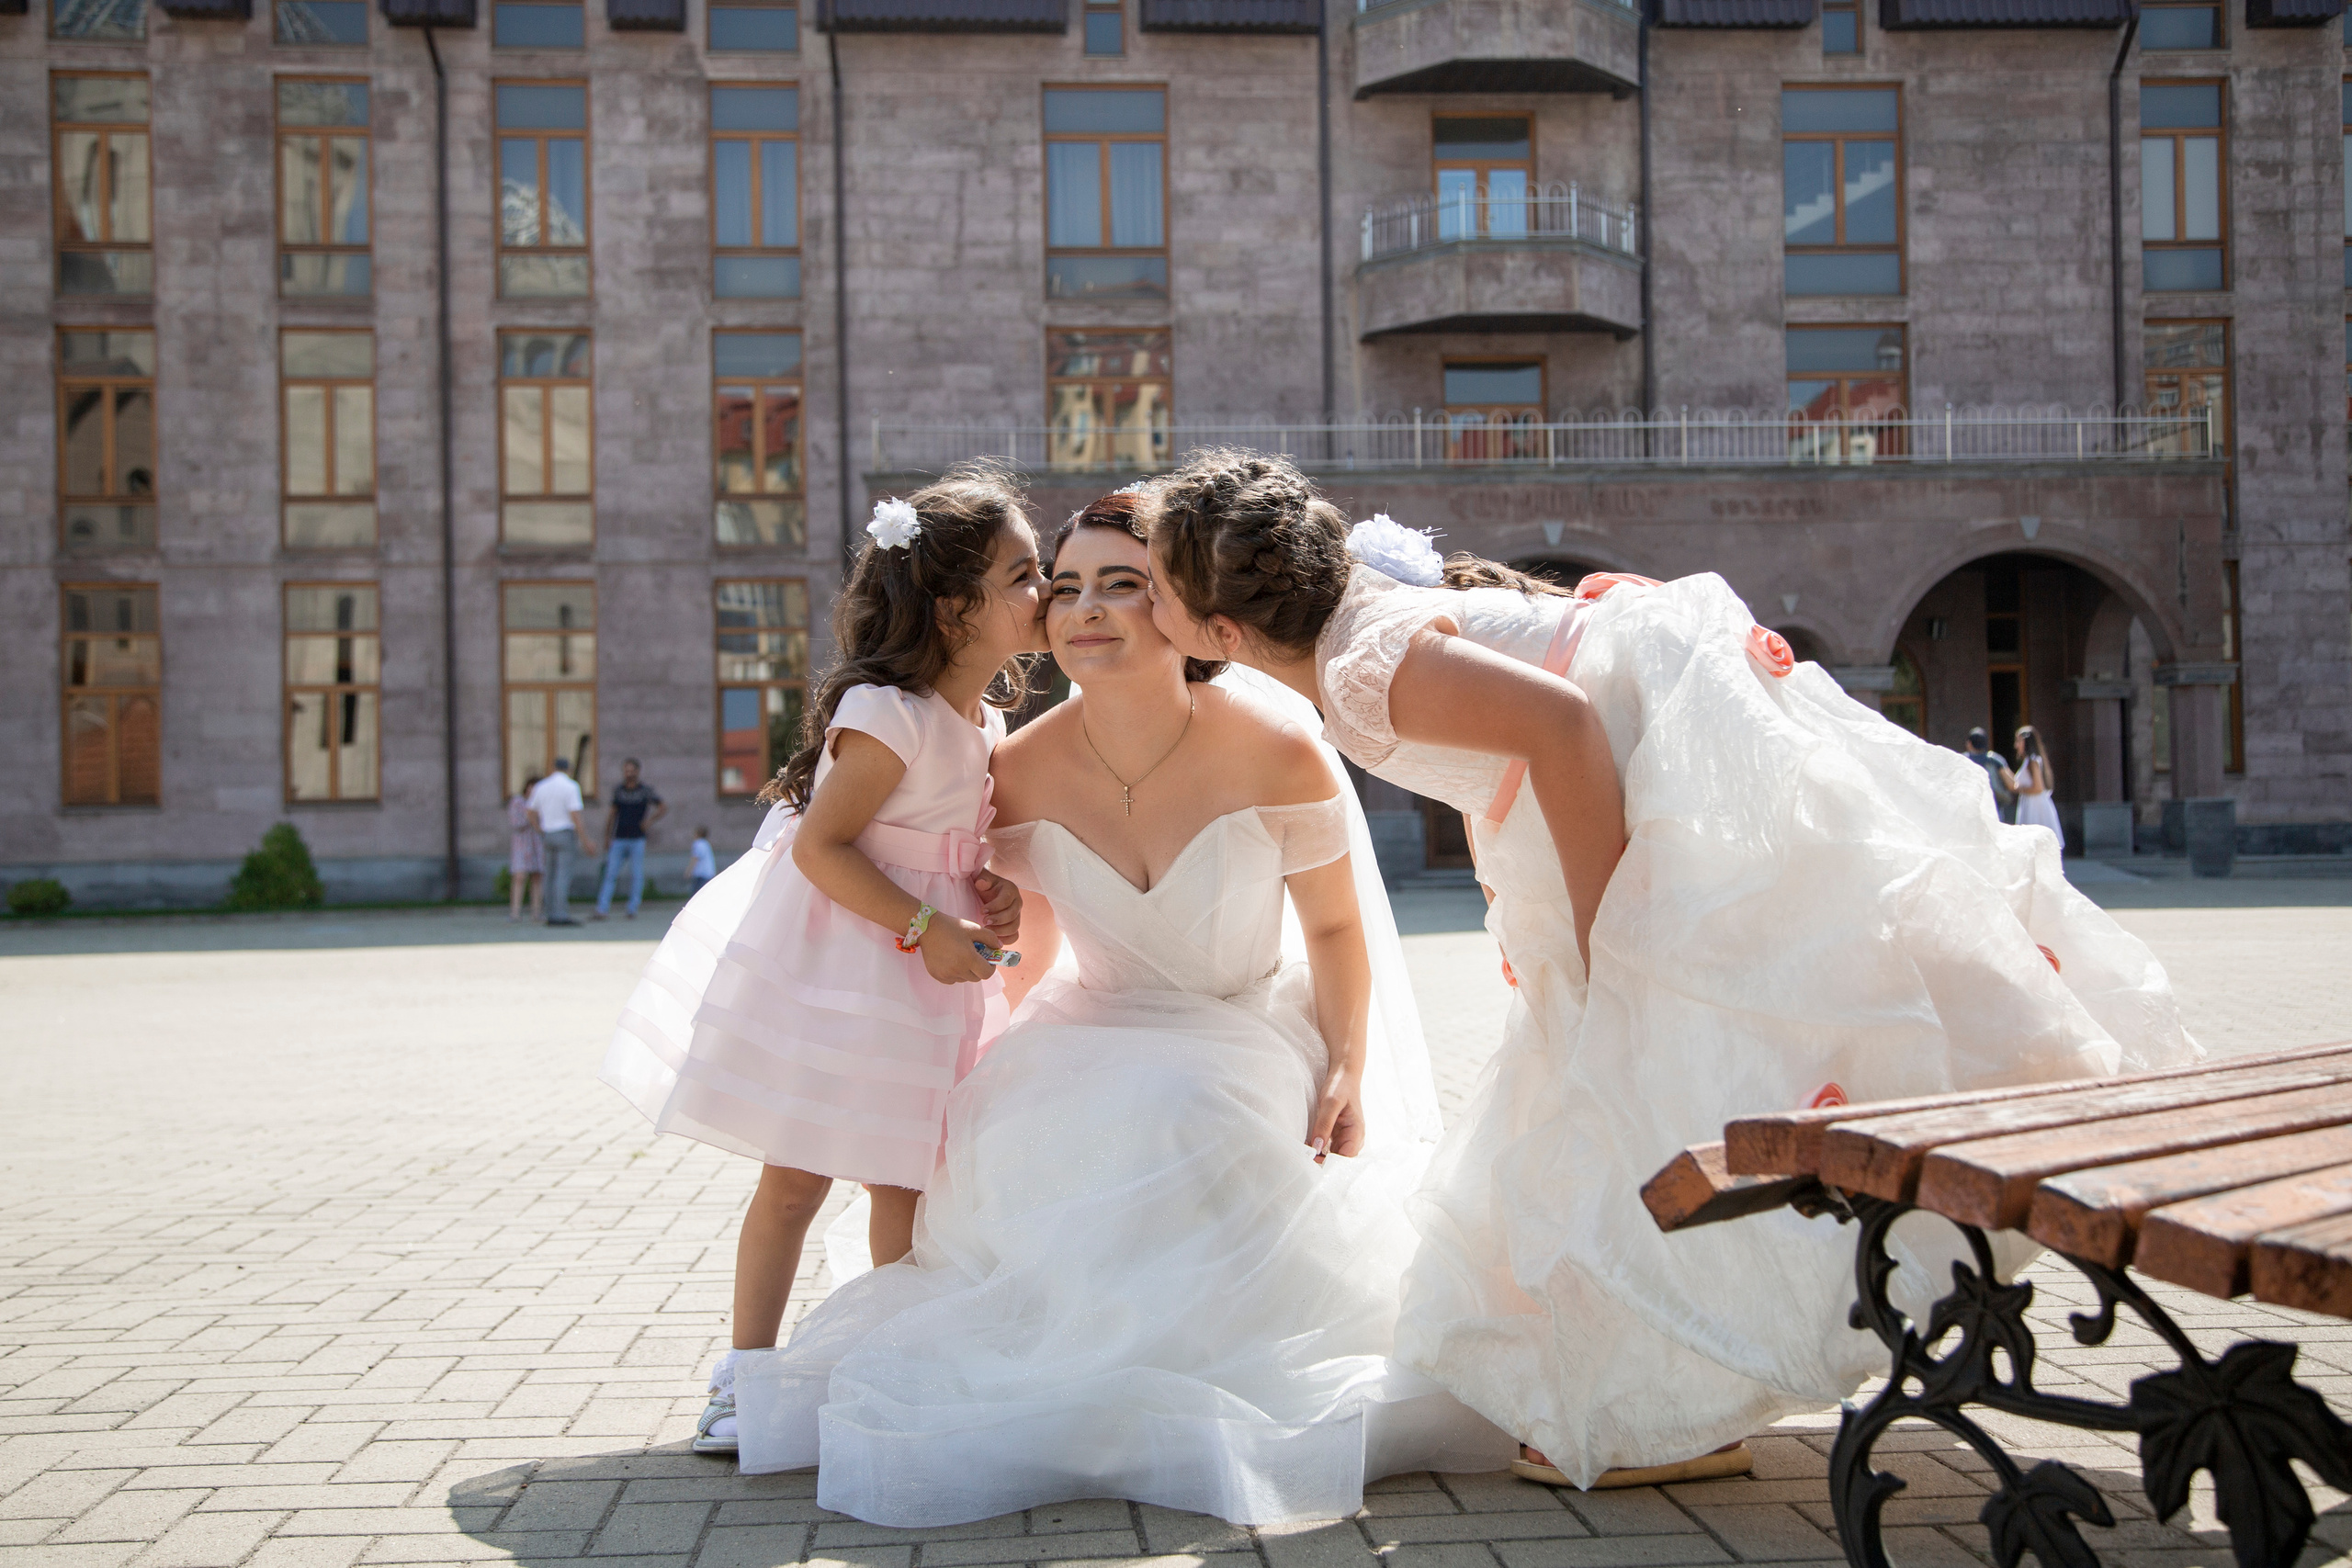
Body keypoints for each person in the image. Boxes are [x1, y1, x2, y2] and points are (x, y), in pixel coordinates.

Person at [1143, 450, 2199, 1491]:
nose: (1146, 607)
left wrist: (1619, 940)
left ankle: (1673, 1402)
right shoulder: (1354, 625)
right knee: (1641, 1092)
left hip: (1662, 802)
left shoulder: (1355, 670)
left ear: (1224, 632)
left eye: (1157, 589)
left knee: (1656, 1075)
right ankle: (1667, 1387)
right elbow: (1510, 736)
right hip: (1632, 786)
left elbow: (1558, 724)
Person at [729, 489, 1510, 1524]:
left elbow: (1330, 930)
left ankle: (1184, 1367)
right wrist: (978, 996)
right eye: (1064, 588)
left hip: (1240, 1023)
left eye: (1123, 585)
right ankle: (1056, 1371)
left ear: (1179, 610)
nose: (1086, 609)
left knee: (1186, 1109)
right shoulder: (1013, 767)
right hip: (1092, 1020)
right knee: (1016, 1124)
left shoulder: (1277, 748)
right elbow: (1029, 941)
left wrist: (1345, 1062)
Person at [598, 467, 1040, 1461]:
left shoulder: (985, 724)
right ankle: (743, 1376)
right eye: (1022, 574)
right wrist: (928, 925)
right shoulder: (887, 713)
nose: (1042, 592)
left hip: (931, 985)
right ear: (953, 605)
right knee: (795, 1179)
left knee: (907, 1187)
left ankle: (895, 1362)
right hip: (847, 971)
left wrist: (989, 895)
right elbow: (821, 847)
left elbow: (953, 849)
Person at [593, 759, 666, 919]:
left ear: (637, 771)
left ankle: (632, 908)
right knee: (610, 874)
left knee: (636, 874)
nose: (629, 773)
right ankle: (602, 909)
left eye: (631, 770)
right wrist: (607, 836)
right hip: (619, 838)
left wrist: (649, 821)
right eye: (626, 770)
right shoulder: (619, 790)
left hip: (637, 839)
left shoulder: (645, 791)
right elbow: (612, 814)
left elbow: (662, 807)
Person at [526, 759, 593, 926]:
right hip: (564, 833)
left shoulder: (541, 786)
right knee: (562, 876)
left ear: (553, 768)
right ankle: (560, 914)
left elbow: (529, 811)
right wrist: (585, 840)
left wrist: (538, 828)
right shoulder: (571, 786)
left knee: (549, 875)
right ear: (568, 769)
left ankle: (550, 913)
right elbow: (575, 815)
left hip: (547, 833)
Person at [2004, 725, 2063, 840]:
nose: (2016, 745)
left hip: (2035, 805)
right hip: (2031, 802)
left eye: (2019, 741)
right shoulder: (2028, 761)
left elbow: (2038, 788)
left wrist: (2019, 789)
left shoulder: (2033, 761)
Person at [507, 776, 544, 922]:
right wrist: (530, 816)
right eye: (531, 787)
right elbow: (516, 823)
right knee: (519, 876)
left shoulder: (541, 803)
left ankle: (536, 912)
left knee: (537, 877)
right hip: (522, 844)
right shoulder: (518, 802)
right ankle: (515, 912)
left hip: (537, 843)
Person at [1962, 727, 2015, 822]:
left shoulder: (1963, 760)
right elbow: (2012, 784)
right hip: (1994, 806)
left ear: (1969, 743)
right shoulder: (1995, 760)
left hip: (1969, 807)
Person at [685, 827, 717, 896]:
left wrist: (689, 871)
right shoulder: (706, 844)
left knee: (697, 894)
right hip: (708, 872)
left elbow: (695, 858)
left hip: (701, 873)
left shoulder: (698, 844)